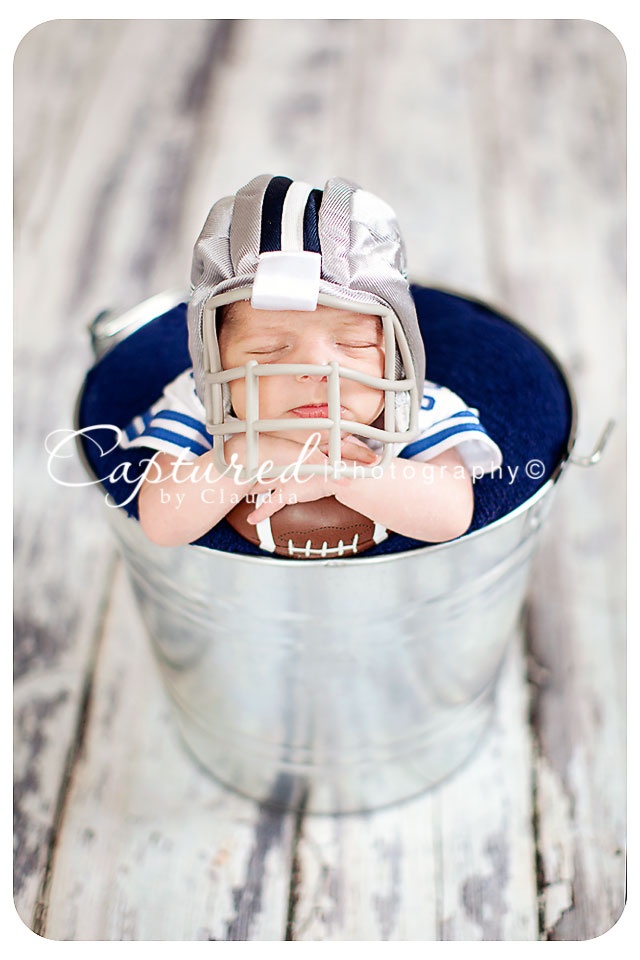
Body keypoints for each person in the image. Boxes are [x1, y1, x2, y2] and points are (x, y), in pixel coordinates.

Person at [120, 174, 502, 548]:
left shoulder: (413, 409)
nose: (316, 370)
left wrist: (339, 474)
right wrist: (243, 456)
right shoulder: (202, 401)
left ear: (396, 352)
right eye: (268, 349)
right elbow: (161, 521)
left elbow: (450, 513)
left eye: (352, 344)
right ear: (216, 358)